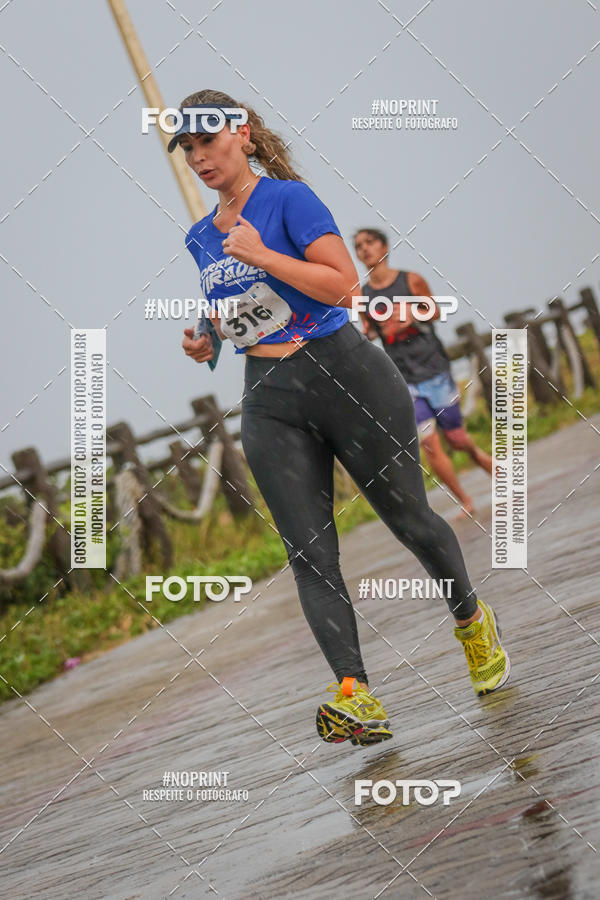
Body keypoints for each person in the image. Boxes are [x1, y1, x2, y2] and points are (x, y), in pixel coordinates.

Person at [175, 89, 510, 748]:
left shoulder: (289, 200)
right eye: (186, 147)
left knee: (410, 519)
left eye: (207, 141)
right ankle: (354, 693)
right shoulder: (198, 235)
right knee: (308, 550)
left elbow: (342, 285)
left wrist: (262, 254)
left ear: (241, 134)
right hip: (269, 395)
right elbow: (240, 307)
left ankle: (473, 622)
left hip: (346, 372)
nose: (198, 156)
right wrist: (207, 339)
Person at [354, 228, 493, 519]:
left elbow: (435, 311)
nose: (365, 249)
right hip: (402, 376)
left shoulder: (410, 280)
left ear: (384, 247)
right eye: (358, 246)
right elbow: (369, 332)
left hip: (432, 367)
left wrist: (408, 315)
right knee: (429, 443)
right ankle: (465, 501)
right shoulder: (363, 294)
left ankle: (482, 459)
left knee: (455, 438)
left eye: (370, 243)